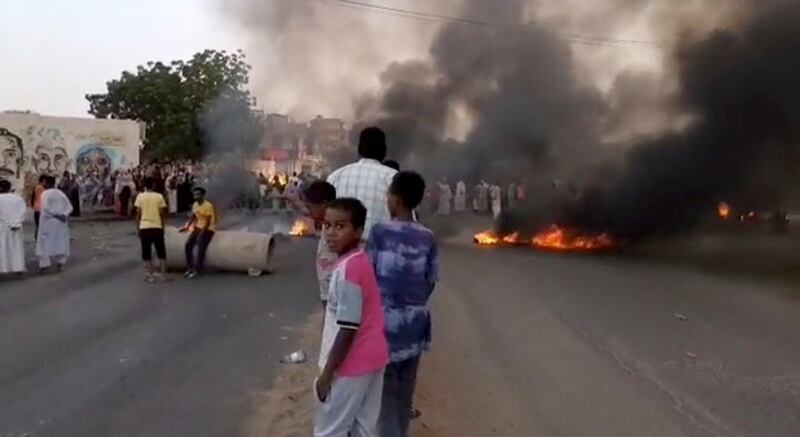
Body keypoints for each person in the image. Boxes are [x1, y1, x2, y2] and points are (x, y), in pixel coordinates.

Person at [367, 172, 438, 437]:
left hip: (384, 325)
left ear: (395, 200)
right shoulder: (428, 237)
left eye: (388, 196)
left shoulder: (380, 232)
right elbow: (431, 281)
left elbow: (368, 276)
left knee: (384, 394)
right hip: (415, 324)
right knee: (405, 390)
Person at [314, 198, 388, 437]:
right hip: (373, 359)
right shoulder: (359, 261)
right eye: (327, 225)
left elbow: (348, 327)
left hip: (350, 365)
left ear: (357, 231)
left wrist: (327, 373)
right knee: (364, 429)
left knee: (330, 431)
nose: (331, 233)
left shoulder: (348, 269)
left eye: (340, 226)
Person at [327, 127, 397, 238]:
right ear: (384, 150)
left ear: (359, 149)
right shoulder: (393, 178)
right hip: (378, 251)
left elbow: (326, 221)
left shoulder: (335, 176)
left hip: (342, 252)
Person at [135, 177, 169, 283]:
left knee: (146, 253)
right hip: (157, 226)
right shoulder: (159, 196)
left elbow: (138, 214)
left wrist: (137, 228)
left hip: (144, 227)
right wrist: (163, 226)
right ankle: (163, 276)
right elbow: (162, 213)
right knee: (161, 252)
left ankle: (150, 276)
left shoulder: (140, 196)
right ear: (153, 185)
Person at [36, 176, 73, 272]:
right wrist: (64, 215)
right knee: (61, 241)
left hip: (48, 221)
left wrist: (57, 215)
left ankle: (45, 265)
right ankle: (61, 262)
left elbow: (46, 208)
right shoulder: (61, 193)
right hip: (60, 222)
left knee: (44, 243)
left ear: (46, 183)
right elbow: (69, 207)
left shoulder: (45, 194)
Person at [180, 187, 217, 279]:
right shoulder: (195, 204)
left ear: (202, 195)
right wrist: (187, 227)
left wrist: (202, 232)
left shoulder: (208, 206)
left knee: (201, 245)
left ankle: (197, 269)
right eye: (195, 194)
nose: (196, 196)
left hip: (208, 228)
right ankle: (190, 268)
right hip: (198, 226)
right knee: (188, 245)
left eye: (198, 194)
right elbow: (194, 216)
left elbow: (208, 221)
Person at [0, 180, 26, 275]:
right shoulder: (18, 198)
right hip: (17, 227)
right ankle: (18, 267)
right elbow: (23, 211)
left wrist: (7, 222)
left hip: (3, 227)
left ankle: (3, 267)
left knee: (3, 248)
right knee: (17, 247)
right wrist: (17, 222)